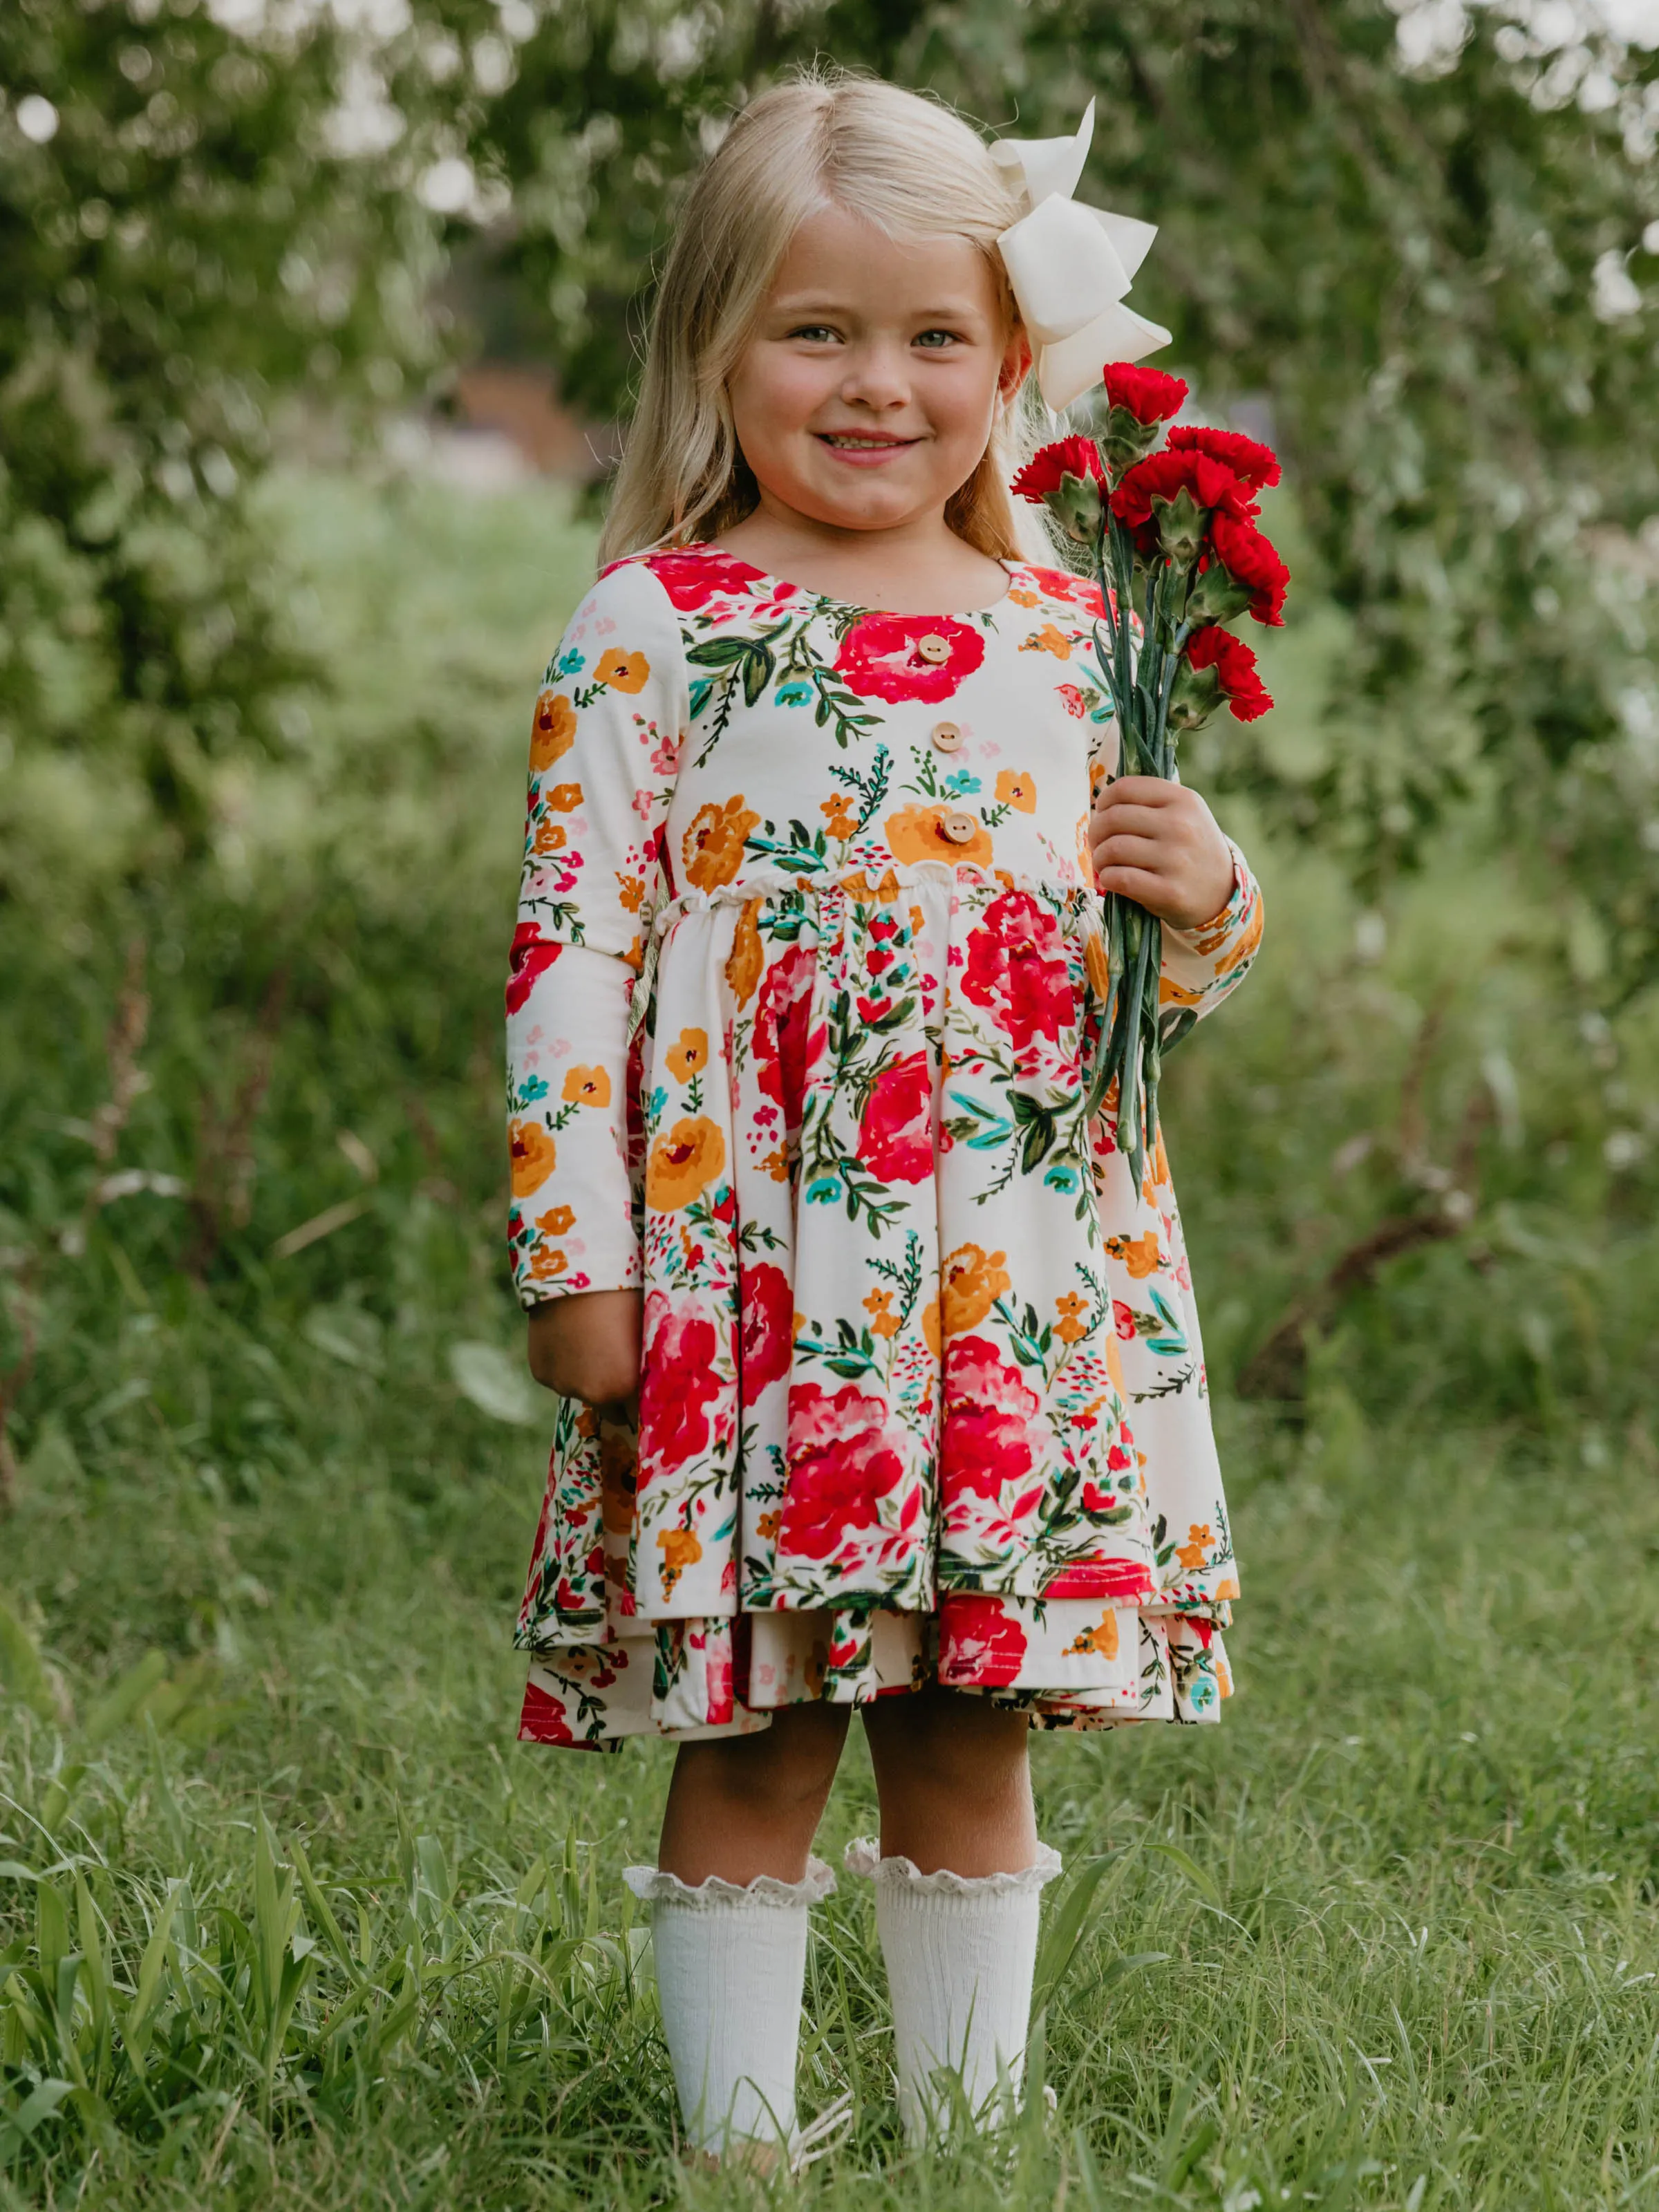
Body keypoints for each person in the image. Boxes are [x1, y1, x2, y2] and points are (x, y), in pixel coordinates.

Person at [503, 67, 1262, 2165]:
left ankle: (973, 2132)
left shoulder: (1073, 630)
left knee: (966, 1708)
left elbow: (1130, 991)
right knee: (755, 1718)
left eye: (933, 335)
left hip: (1011, 1281)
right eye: (814, 330)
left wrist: (1213, 904)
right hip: (761, 1284)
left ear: (1014, 362)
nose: (876, 384)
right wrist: (583, 1261)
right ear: (714, 348)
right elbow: (571, 945)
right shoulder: (664, 626)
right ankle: (738, 2142)